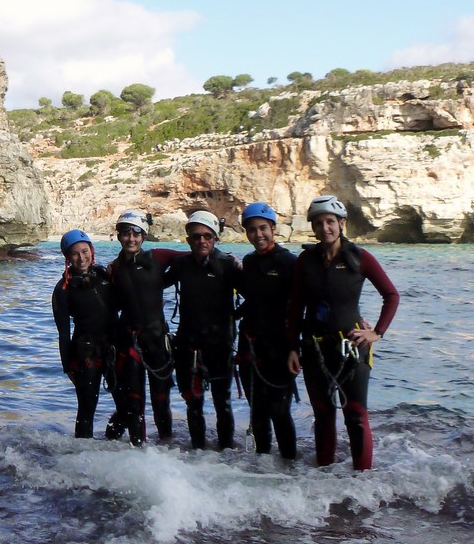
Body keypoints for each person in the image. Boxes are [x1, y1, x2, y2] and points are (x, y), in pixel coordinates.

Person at [287, 195, 400, 470]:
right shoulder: (305, 260)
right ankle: (323, 480)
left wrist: (378, 333)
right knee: (323, 415)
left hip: (351, 348)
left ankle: (363, 482)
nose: (325, 228)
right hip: (314, 349)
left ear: (342, 223)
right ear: (312, 227)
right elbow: (295, 307)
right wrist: (292, 348)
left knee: (356, 415)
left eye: (330, 222)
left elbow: (391, 295)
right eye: (318, 223)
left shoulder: (359, 258)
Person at [106, 210, 187, 444]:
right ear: (119, 236)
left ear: (144, 236)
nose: (131, 238)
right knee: (134, 402)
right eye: (125, 233)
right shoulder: (114, 270)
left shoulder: (158, 257)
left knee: (161, 400)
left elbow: (195, 257)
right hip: (129, 342)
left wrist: (230, 260)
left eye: (136, 233)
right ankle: (138, 452)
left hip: (157, 339)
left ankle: (167, 446)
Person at [163, 211, 241, 450]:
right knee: (193, 404)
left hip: (220, 345)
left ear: (215, 238)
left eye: (207, 236)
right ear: (188, 239)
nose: (202, 241)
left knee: (222, 404)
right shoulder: (181, 265)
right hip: (188, 345)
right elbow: (150, 284)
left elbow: (258, 296)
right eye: (196, 237)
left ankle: (226, 457)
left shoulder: (227, 265)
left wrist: (234, 316)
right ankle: (198, 456)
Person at [235, 202, 299, 460]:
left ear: (273, 228)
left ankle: (289, 465)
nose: (258, 234)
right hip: (251, 345)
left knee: (279, 411)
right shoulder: (249, 262)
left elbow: (308, 300)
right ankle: (263, 466)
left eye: (263, 228)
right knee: (257, 410)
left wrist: (295, 347)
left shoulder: (288, 262)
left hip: (279, 349)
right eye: (251, 230)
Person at [50, 229, 119, 438]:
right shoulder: (62, 289)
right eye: (74, 253)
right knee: (87, 409)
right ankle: (83, 459)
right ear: (67, 258)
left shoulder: (104, 275)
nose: (81, 258)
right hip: (86, 353)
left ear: (91, 250)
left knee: (127, 406)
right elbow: (63, 332)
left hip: (114, 347)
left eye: (84, 251)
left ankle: (113, 444)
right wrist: (67, 366)